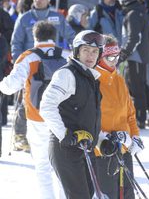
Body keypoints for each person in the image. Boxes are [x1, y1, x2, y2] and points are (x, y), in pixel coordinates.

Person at [0, 20, 69, 199]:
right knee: (63, 165)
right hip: (64, 116)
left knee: (42, 166)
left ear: (34, 36)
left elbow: (10, 86)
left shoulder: (29, 56)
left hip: (37, 117)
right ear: (54, 36)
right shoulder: (66, 56)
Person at [40, 30, 104, 199]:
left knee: (88, 194)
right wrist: (65, 135)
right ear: (76, 51)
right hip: (66, 148)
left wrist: (102, 139)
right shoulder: (66, 74)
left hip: (85, 146)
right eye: (85, 50)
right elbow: (46, 106)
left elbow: (88, 117)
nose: (90, 55)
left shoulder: (91, 77)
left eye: (94, 52)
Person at [95, 34, 143, 198]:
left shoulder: (119, 79)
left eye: (117, 55)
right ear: (100, 56)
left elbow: (130, 113)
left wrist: (135, 136)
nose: (115, 60)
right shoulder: (93, 80)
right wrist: (104, 138)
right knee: (109, 194)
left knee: (128, 194)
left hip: (124, 148)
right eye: (110, 56)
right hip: (103, 150)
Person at [118, 0, 149, 128]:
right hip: (137, 55)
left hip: (136, 56)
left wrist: (124, 54)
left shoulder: (133, 13)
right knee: (139, 85)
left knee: (137, 88)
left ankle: (140, 119)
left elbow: (135, 37)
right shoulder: (136, 11)